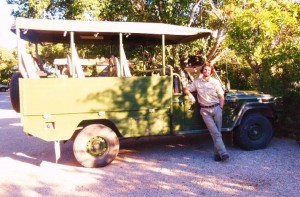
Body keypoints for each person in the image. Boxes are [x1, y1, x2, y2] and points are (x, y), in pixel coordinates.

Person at [183, 63, 229, 162]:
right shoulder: (196, 82)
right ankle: (224, 153)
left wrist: (221, 107)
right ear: (202, 71)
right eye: (205, 70)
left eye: (208, 70)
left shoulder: (215, 82)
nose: (206, 71)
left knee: (217, 133)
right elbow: (186, 89)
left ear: (211, 72)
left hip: (216, 108)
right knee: (215, 132)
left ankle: (217, 154)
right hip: (204, 111)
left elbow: (221, 95)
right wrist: (190, 95)